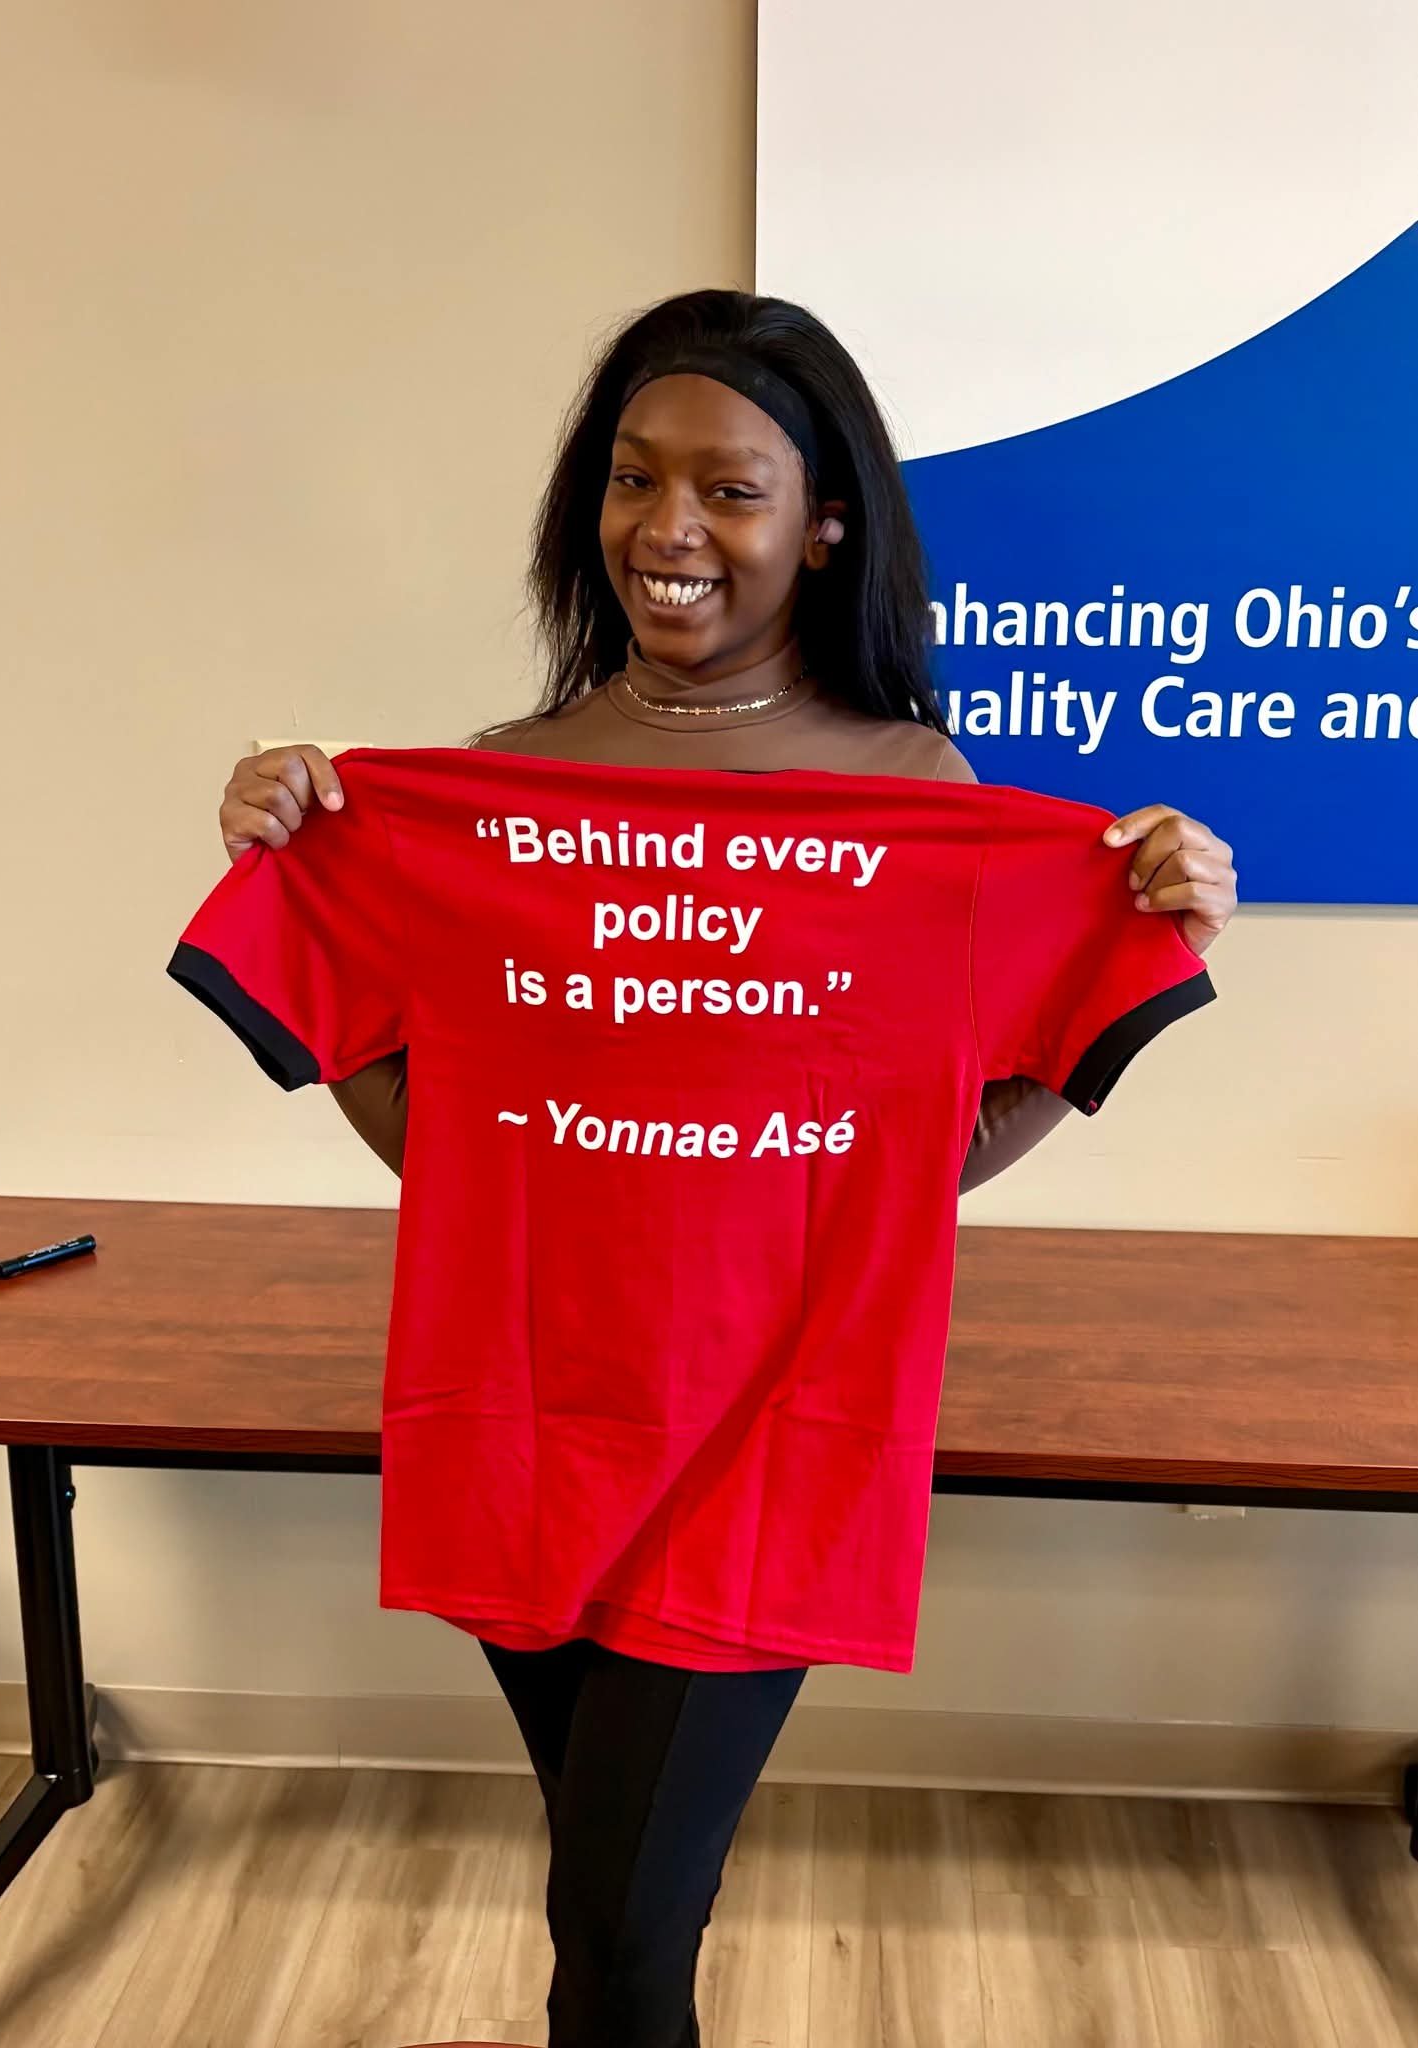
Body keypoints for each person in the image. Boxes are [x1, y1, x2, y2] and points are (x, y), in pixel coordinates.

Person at [202, 290, 1236, 2048]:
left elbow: (915, 1152)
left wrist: (1133, 937)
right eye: (630, 480)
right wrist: (306, 856)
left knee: (608, 1942)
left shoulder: (917, 796)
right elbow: (444, 1140)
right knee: (610, 1907)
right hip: (528, 1425)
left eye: (729, 491)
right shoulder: (502, 794)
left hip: (771, 1433)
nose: (666, 532)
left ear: (824, 522)